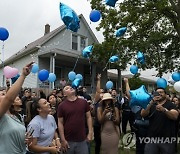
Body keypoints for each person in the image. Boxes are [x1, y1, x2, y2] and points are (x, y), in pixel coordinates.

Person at [0, 62, 33, 154]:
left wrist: (25, 138)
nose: (6, 94)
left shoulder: (15, 115)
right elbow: (9, 98)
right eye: (3, 94)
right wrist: (23, 75)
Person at [141, 87, 179, 154]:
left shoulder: (170, 105)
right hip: (152, 138)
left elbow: (174, 116)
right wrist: (151, 102)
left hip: (167, 139)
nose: (159, 94)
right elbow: (143, 114)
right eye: (157, 92)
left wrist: (164, 110)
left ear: (165, 94)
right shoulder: (151, 105)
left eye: (161, 92)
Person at [57, 85, 93, 154]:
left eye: (70, 87)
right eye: (67, 88)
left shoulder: (83, 102)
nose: (70, 88)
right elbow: (60, 123)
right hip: (68, 140)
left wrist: (90, 132)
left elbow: (89, 117)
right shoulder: (61, 106)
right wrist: (63, 139)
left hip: (82, 140)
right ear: (64, 94)